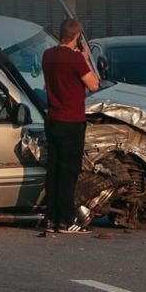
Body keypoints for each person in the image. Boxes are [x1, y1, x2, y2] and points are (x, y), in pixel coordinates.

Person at [40, 18, 99, 235]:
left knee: (53, 170)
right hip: (71, 122)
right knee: (68, 172)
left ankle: (51, 217)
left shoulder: (48, 55)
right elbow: (93, 84)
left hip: (53, 119)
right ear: (77, 36)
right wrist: (85, 57)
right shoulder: (74, 59)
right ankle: (65, 219)